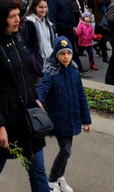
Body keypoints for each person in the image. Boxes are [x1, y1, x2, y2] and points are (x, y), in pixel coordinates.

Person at [0, 0, 50, 192]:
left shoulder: (17, 37)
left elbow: (25, 73)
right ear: (1, 18)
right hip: (5, 119)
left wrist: (34, 98)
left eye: (19, 15)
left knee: (38, 169)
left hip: (26, 115)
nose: (18, 20)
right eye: (12, 16)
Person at [37, 37, 92, 192]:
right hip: (59, 120)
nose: (66, 57)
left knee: (67, 152)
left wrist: (86, 120)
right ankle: (52, 180)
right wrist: (38, 100)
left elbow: (81, 96)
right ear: (56, 55)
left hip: (72, 118)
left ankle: (60, 177)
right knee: (65, 150)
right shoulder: (51, 73)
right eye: (62, 54)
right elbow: (42, 88)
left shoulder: (74, 72)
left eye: (68, 53)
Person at [48, 0, 84, 72]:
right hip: (60, 27)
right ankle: (61, 67)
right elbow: (52, 15)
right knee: (62, 47)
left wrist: (74, 25)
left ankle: (77, 66)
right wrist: (54, 30)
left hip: (68, 25)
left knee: (72, 46)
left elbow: (71, 11)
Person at [21, 0, 55, 82]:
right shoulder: (29, 22)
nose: (43, 10)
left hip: (49, 61)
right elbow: (25, 43)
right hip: (37, 62)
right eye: (40, 7)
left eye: (45, 7)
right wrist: (32, 59)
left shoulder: (48, 22)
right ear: (34, 7)